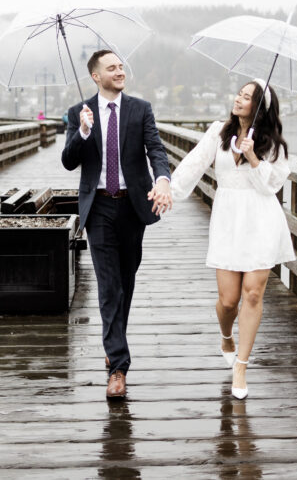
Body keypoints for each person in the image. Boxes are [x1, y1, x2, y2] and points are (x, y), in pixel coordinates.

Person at [167, 79, 293, 399]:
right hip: (227, 219)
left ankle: (241, 365)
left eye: (247, 97)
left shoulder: (273, 145)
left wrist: (253, 158)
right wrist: (171, 190)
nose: (238, 99)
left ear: (259, 107)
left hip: (260, 219)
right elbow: (195, 162)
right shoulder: (219, 132)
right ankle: (226, 336)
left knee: (253, 294)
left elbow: (272, 187)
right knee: (228, 301)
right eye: (238, 93)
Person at [61, 49, 173, 400]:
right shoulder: (78, 113)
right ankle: (118, 368)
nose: (119, 71)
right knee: (109, 287)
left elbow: (155, 149)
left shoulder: (140, 109)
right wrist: (81, 132)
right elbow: (68, 161)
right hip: (99, 208)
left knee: (125, 283)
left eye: (121, 66)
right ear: (96, 76)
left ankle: (114, 342)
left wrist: (164, 180)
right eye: (111, 68)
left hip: (132, 206)